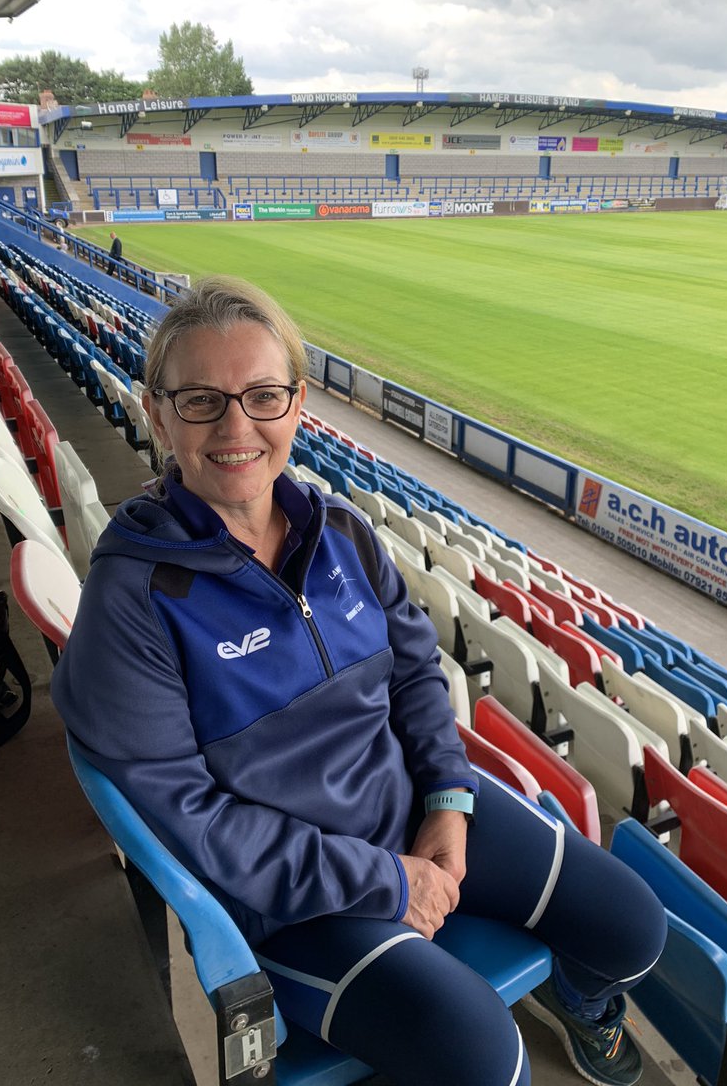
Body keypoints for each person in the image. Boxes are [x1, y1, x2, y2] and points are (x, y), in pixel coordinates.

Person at [51, 277, 666, 1086]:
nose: (237, 426)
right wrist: (386, 881)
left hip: (412, 811)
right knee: (490, 1062)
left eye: (263, 396)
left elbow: (415, 673)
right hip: (295, 901)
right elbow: (194, 822)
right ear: (157, 410)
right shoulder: (131, 603)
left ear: (297, 405)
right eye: (201, 400)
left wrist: (447, 800)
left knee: (633, 928)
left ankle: (583, 1004)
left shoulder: (340, 530)